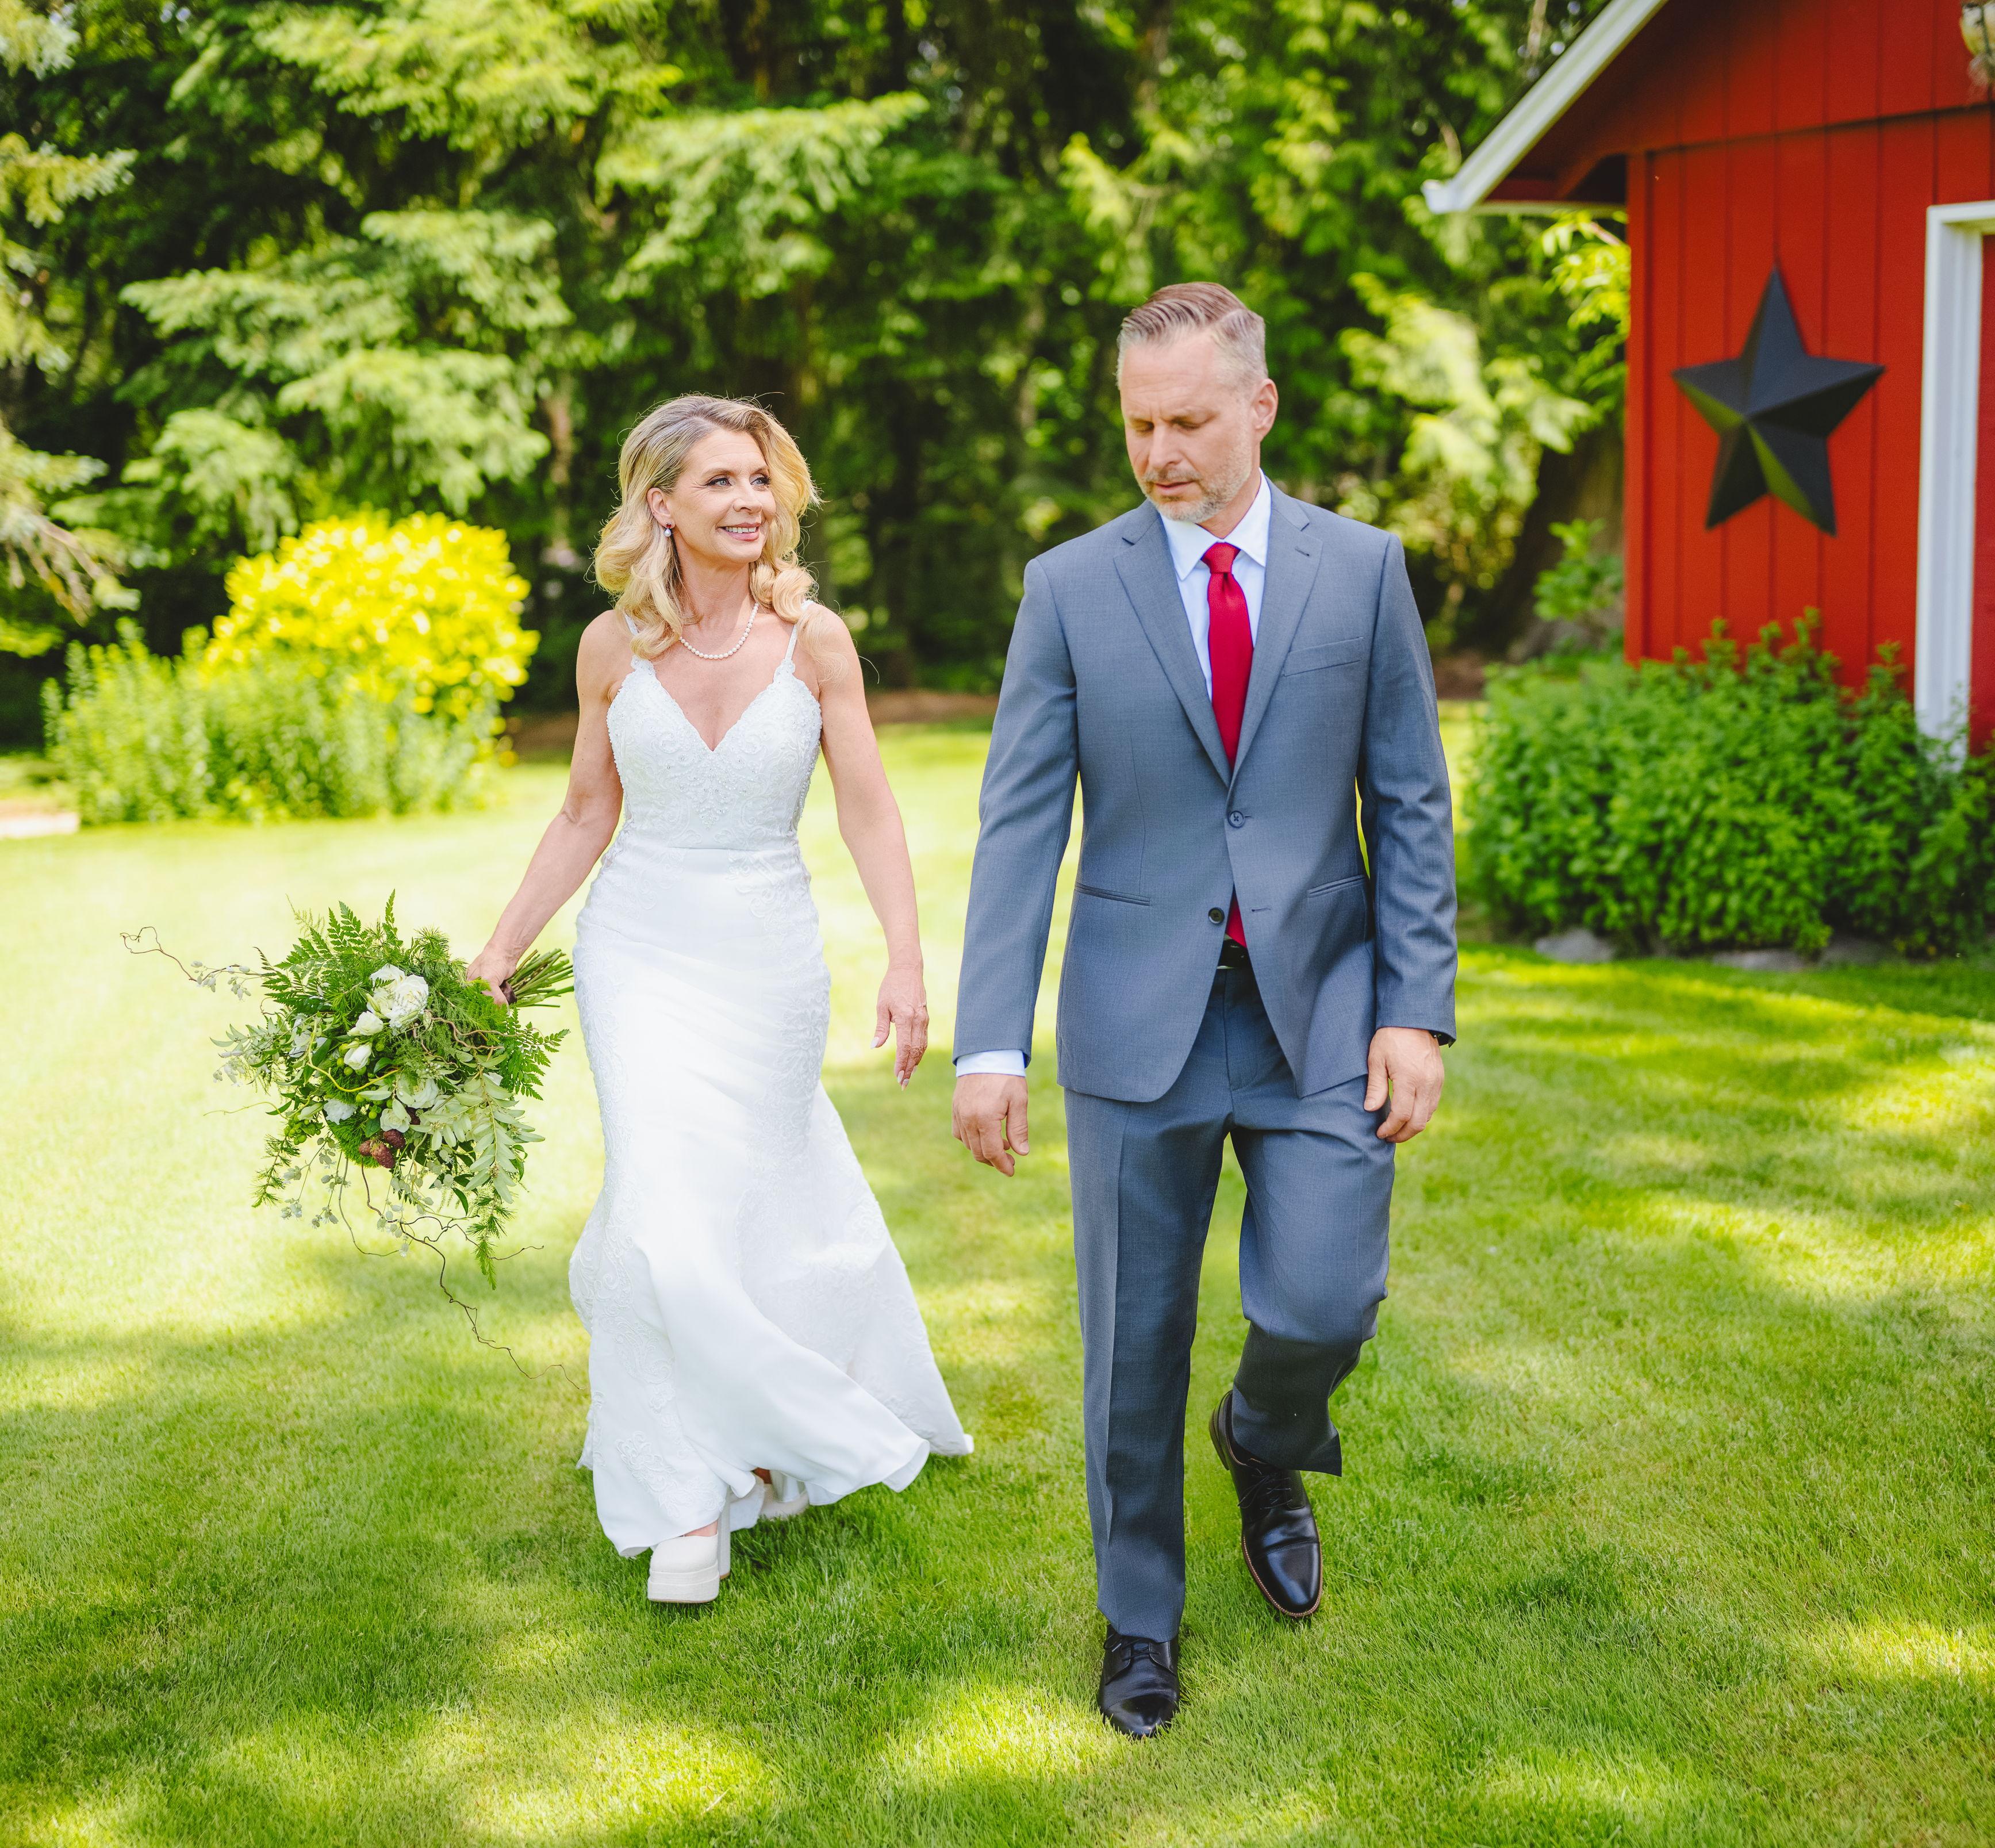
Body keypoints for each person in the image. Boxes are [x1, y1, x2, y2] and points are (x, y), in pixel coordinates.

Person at [952, 285, 1455, 1735]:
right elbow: (1019, 823)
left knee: (1324, 1298)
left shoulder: (1361, 571)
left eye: (1186, 420)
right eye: (1138, 423)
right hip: (1135, 1018)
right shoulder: (1069, 587)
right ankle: (1139, 1617)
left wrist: (1414, 1008)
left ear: (1259, 406)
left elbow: (1409, 802)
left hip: (1322, 1012)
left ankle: (1263, 1432)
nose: (1159, 451)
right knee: (1132, 1340)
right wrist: (993, 1039)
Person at [467, 394, 970, 1605]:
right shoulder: (611, 648)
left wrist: (906, 960)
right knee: (660, 1203)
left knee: (745, 1198)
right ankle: (686, 1502)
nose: (750, 500)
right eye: (720, 481)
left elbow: (867, 807)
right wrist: (497, 952)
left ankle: (755, 1430)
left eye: (760, 479)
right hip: (637, 950)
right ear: (660, 505)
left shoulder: (816, 641)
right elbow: (585, 810)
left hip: (767, 955)